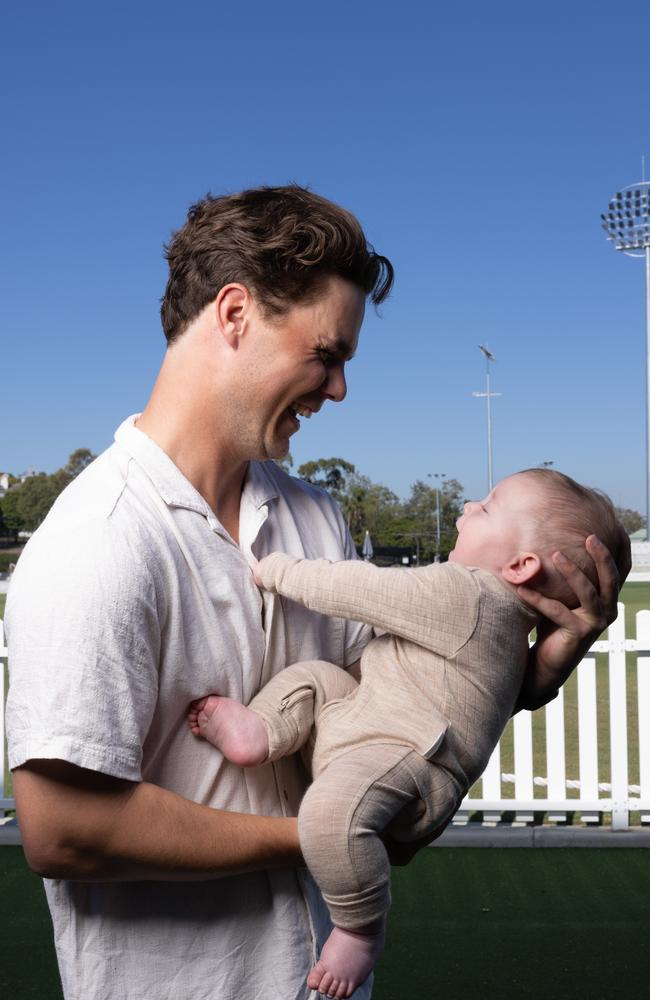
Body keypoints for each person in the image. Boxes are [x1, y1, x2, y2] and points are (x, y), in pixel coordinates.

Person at [4, 183, 626, 1000]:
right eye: (327, 353)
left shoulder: (315, 517)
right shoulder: (101, 538)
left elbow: (390, 717)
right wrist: (324, 835)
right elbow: (65, 834)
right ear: (234, 315)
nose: (338, 390)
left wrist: (521, 682)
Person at [187, 469, 629, 1000]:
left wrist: (276, 570)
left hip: (403, 758)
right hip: (369, 726)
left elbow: (360, 588)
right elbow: (525, 692)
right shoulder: (508, 624)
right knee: (318, 680)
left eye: (486, 508)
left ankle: (358, 928)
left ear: (520, 565)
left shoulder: (469, 594)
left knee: (329, 816)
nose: (467, 505)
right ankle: (262, 727)